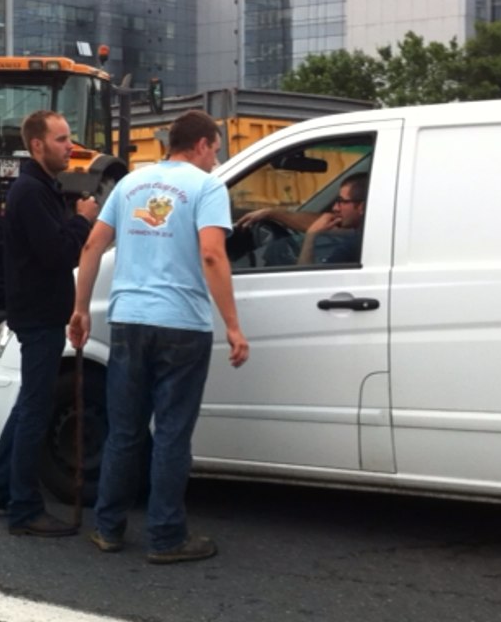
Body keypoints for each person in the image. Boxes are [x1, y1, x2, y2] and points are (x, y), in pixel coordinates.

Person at [68, 109, 249, 564]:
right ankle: (166, 536)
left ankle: (108, 529)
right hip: (181, 325)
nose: (216, 159)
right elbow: (212, 254)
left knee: (124, 431)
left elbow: (93, 244)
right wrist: (232, 323)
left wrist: (80, 309)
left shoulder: (130, 185)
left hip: (129, 320)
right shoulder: (207, 187)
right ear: (203, 144)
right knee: (170, 434)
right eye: (216, 150)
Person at [0, 110, 99, 537]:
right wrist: (83, 219)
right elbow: (57, 254)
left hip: (39, 311)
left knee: (28, 403)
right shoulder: (31, 191)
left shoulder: (41, 188)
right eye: (62, 139)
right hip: (41, 316)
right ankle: (25, 509)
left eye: (69, 137)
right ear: (37, 146)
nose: (70, 146)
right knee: (35, 409)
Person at [235, 173, 369, 265]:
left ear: (361, 207)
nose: (334, 207)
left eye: (341, 201)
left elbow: (307, 280)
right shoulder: (368, 233)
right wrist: (271, 213)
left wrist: (310, 236)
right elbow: (323, 221)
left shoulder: (353, 245)